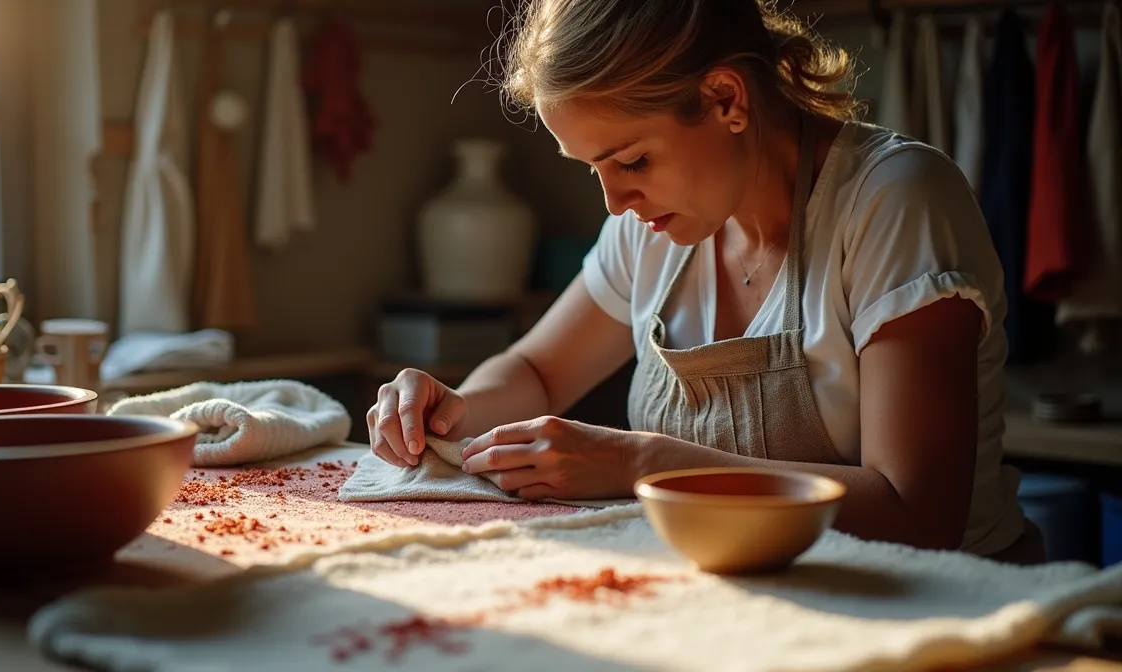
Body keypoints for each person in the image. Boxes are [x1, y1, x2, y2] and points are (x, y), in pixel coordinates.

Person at [366, 0, 1043, 563]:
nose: (613, 203)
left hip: (946, 611)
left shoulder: (893, 201)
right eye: (592, 168)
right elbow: (537, 371)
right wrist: (449, 409)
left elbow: (916, 514)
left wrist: (642, 465)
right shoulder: (653, 224)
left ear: (725, 98)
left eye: (631, 158)